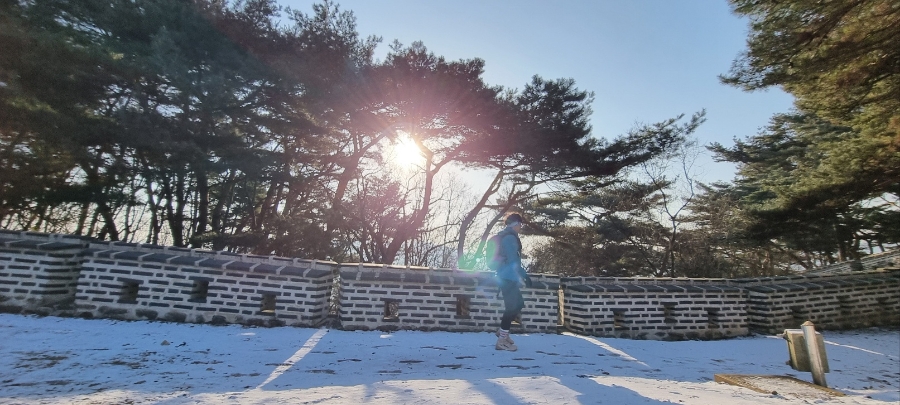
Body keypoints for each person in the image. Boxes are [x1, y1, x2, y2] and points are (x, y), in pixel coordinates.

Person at [493, 213, 532, 351]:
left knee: (518, 304)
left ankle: (503, 332)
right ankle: (502, 340)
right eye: (520, 224)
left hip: (506, 276)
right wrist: (524, 275)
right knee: (511, 308)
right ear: (515, 224)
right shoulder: (510, 238)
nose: (521, 227)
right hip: (507, 277)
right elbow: (513, 260)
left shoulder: (505, 236)